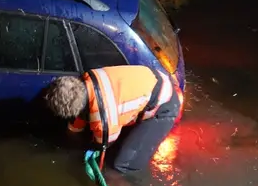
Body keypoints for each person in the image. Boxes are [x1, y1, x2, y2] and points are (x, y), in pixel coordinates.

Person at [43, 65, 182, 174]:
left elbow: (104, 145)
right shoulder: (87, 79)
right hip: (153, 78)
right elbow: (77, 124)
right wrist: (73, 133)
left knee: (121, 164)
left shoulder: (103, 120)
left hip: (165, 105)